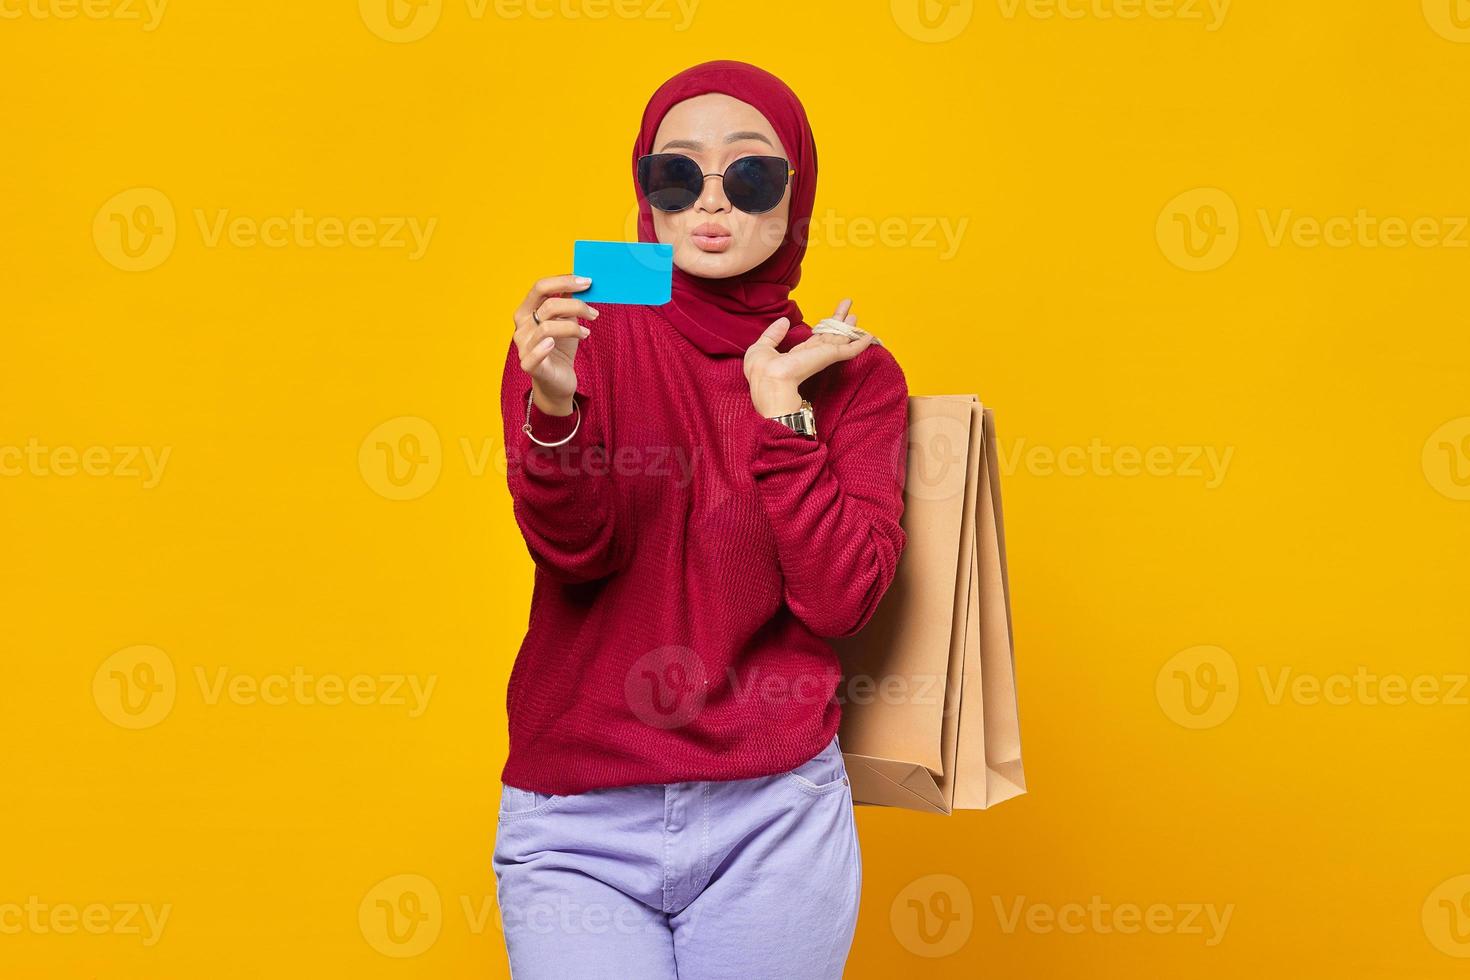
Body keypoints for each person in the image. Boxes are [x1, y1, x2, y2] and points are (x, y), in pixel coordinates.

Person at [493, 59, 910, 980]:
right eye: (676, 174)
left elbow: (842, 602)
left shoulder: (847, 371)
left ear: (797, 192)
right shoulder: (581, 326)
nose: (712, 202)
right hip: (579, 810)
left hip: (774, 810)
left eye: (751, 173)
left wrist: (781, 411)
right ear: (644, 188)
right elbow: (578, 550)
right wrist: (553, 409)